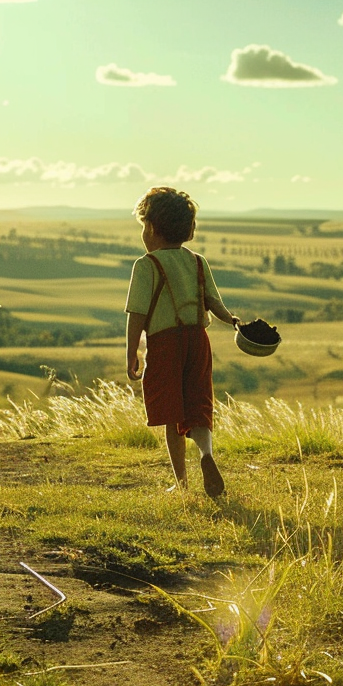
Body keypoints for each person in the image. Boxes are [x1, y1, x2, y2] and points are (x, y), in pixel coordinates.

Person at [125, 187, 240, 498]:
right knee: (199, 405)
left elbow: (136, 314)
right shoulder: (197, 261)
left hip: (164, 344)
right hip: (198, 341)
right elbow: (214, 303)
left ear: (150, 228)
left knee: (171, 413)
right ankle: (206, 454)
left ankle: (182, 483)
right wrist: (234, 321)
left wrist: (131, 353)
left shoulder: (145, 265)